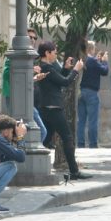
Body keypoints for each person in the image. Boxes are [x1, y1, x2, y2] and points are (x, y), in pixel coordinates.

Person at [36, 41, 92, 180]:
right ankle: (74, 171)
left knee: (46, 138)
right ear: (47, 53)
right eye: (54, 52)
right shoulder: (46, 67)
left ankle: (33, 164)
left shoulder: (46, 67)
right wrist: (76, 70)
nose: (56, 54)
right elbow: (65, 82)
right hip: (53, 108)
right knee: (67, 138)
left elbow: (59, 79)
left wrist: (66, 68)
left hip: (47, 108)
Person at [77, 40, 109, 149]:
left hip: (81, 92)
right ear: (91, 49)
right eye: (94, 49)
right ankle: (93, 144)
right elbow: (104, 71)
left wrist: (98, 60)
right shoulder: (92, 61)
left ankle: (80, 143)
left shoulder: (84, 60)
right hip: (92, 93)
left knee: (81, 120)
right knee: (92, 120)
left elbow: (93, 66)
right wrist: (104, 61)